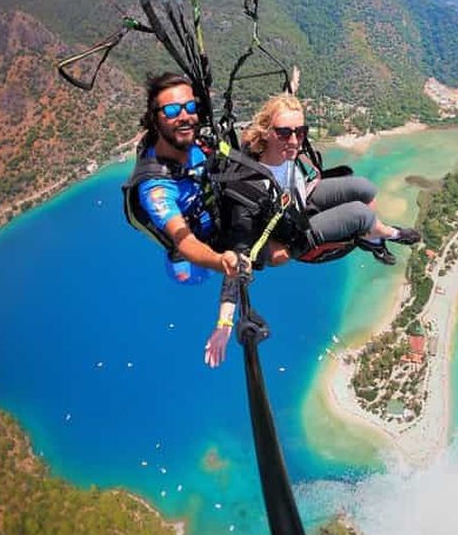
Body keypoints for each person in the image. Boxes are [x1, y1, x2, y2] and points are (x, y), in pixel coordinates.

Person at [203, 93, 421, 366]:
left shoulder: (283, 151)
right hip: (291, 233)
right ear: (267, 133)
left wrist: (291, 90)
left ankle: (371, 235)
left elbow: (288, 122)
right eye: (284, 133)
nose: (294, 141)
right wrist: (224, 324)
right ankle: (388, 235)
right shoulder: (248, 190)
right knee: (360, 214)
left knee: (365, 188)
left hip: (299, 199)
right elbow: (236, 259)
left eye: (300, 131)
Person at [125, 72, 242, 283]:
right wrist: (219, 261)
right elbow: (184, 241)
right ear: (154, 118)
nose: (184, 116)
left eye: (190, 107)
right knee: (192, 278)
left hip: (222, 218)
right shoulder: (155, 187)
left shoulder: (195, 139)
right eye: (171, 111)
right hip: (202, 245)